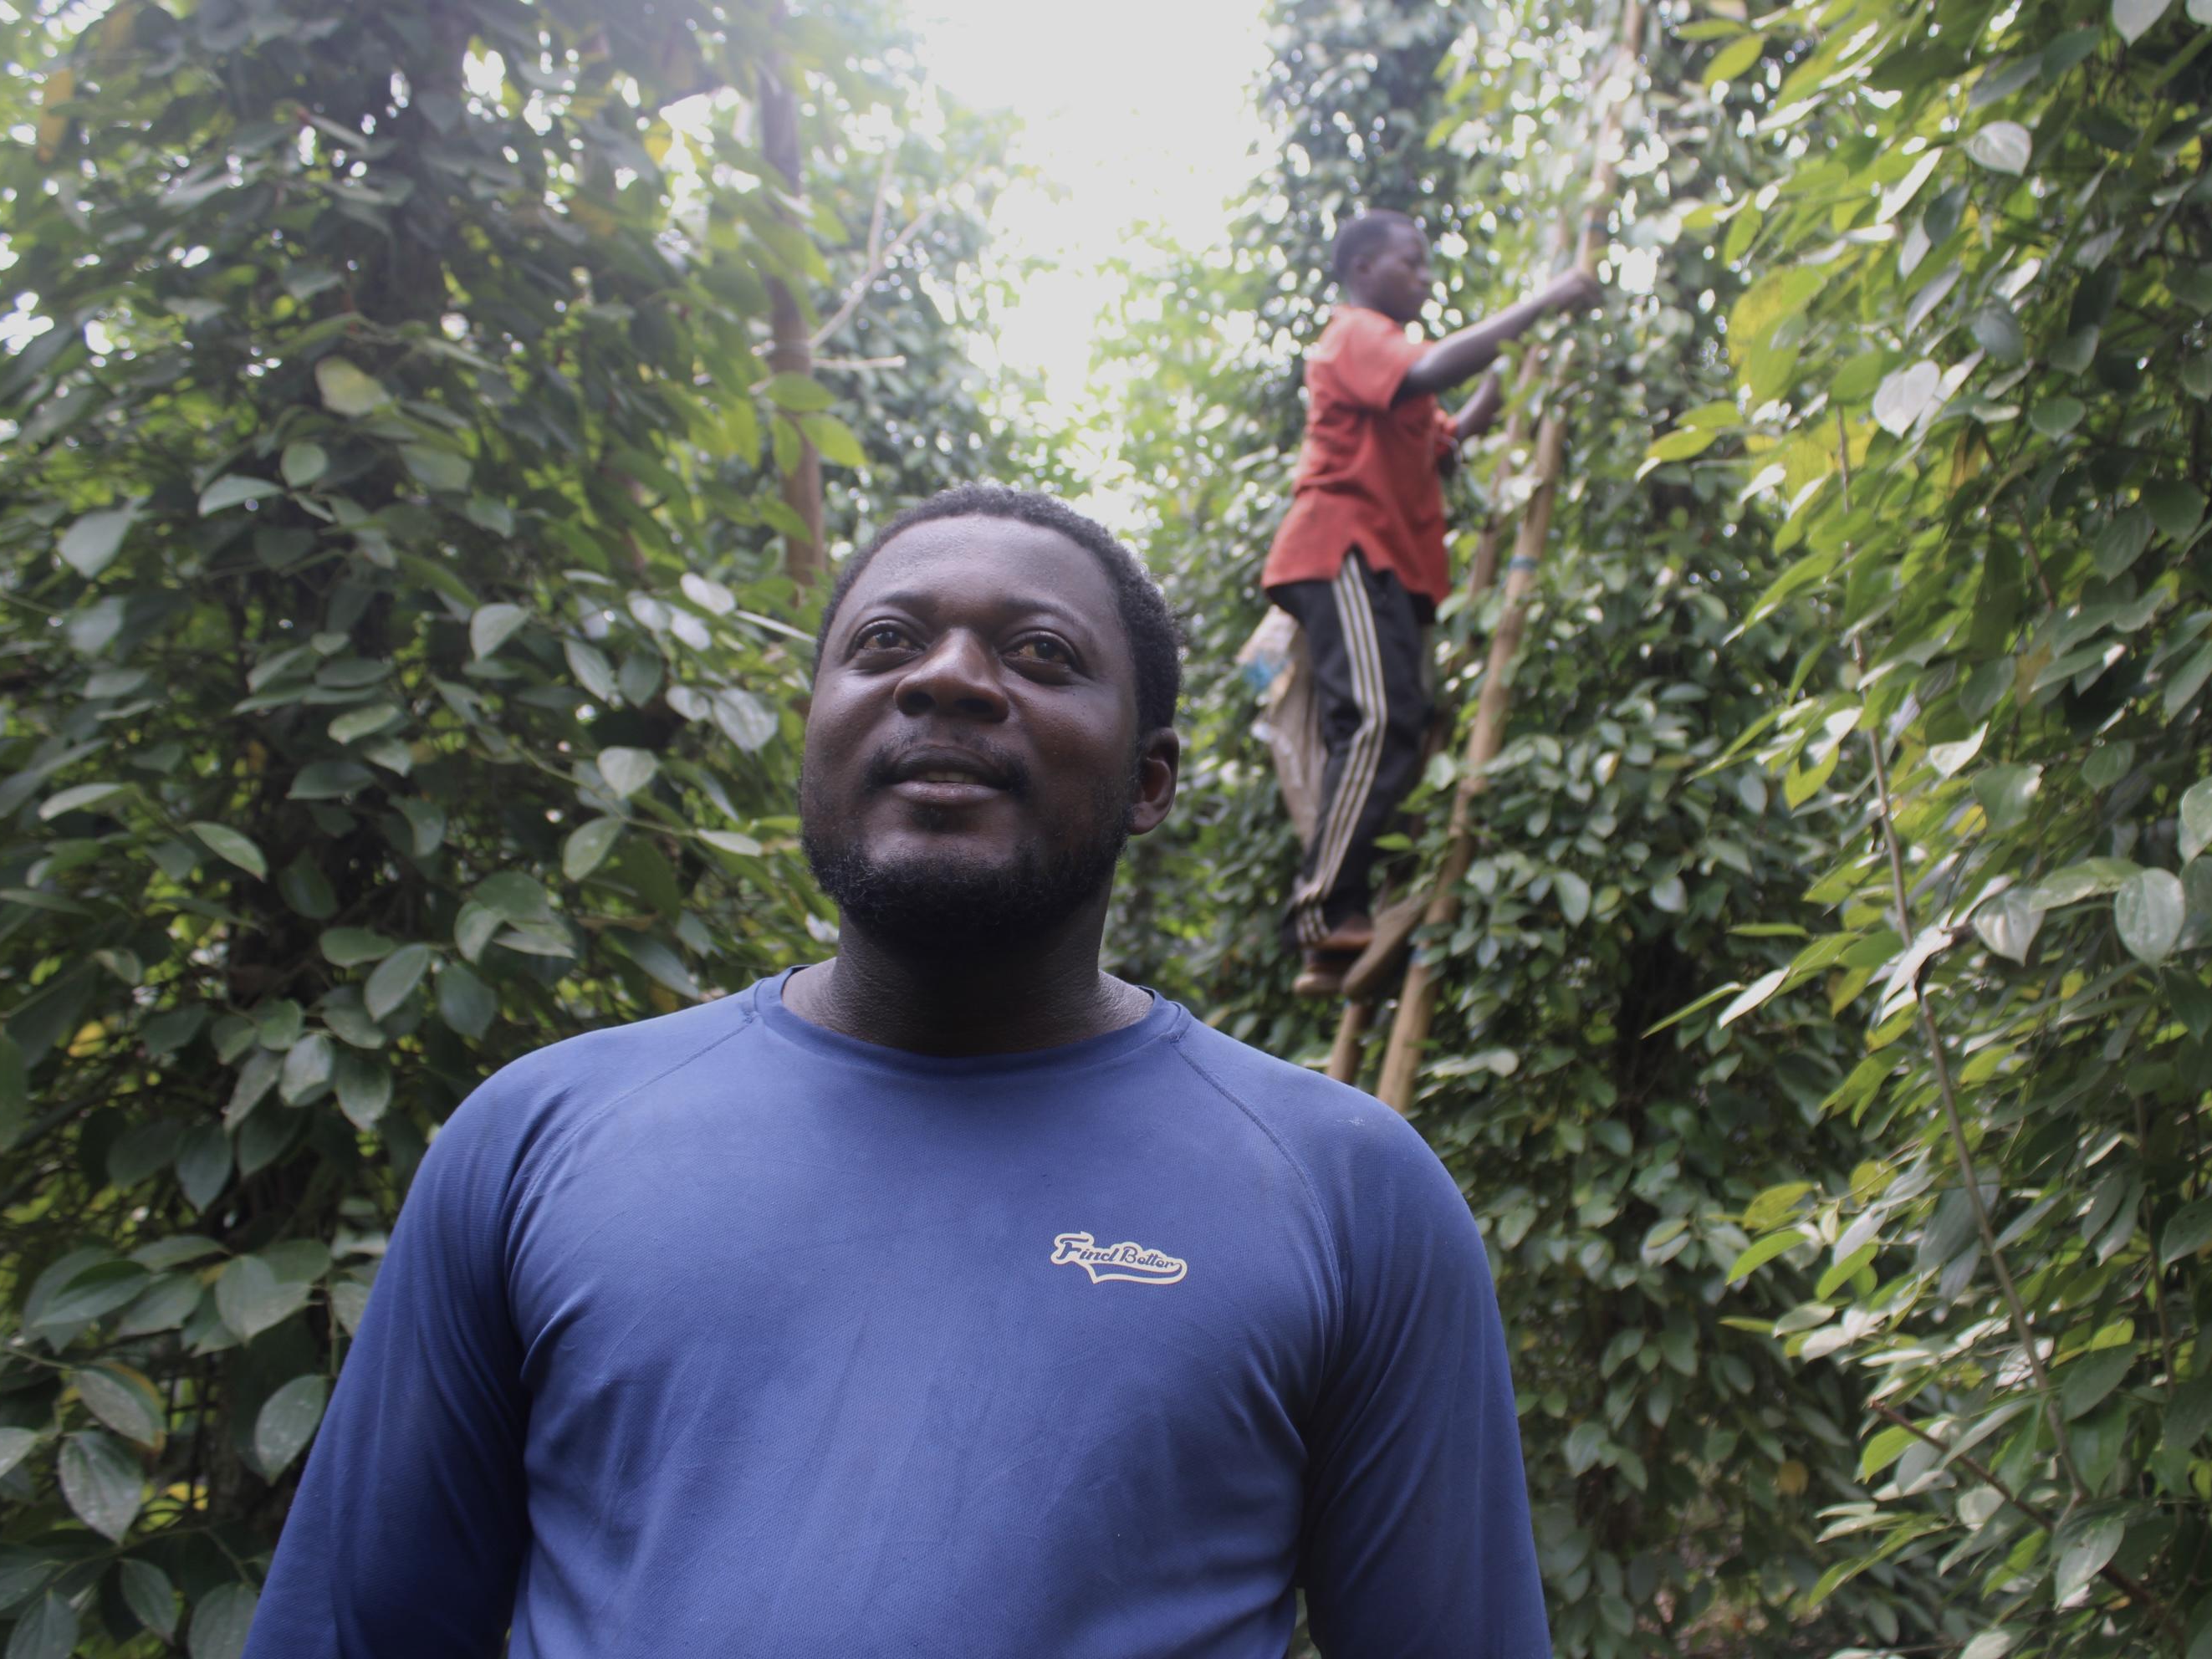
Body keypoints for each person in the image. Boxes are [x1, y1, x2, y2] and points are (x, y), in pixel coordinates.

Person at [246, 483, 1550, 1657]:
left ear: (1151, 781)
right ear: (813, 736)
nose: (950, 680)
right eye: (885, 644)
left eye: (1041, 654)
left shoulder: (1349, 1194)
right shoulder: (534, 1139)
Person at [1265, 208, 1600, 995]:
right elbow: (1428, 370)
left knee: (1405, 729)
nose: (1423, 276)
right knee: (1378, 720)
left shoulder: (1402, 382)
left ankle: (1338, 934)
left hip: (1394, 570)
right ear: (1362, 272)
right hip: (1342, 547)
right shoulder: (1354, 334)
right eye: (1408, 263)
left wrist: (1514, 366)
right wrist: (1547, 300)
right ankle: (1320, 910)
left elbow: (1453, 427)